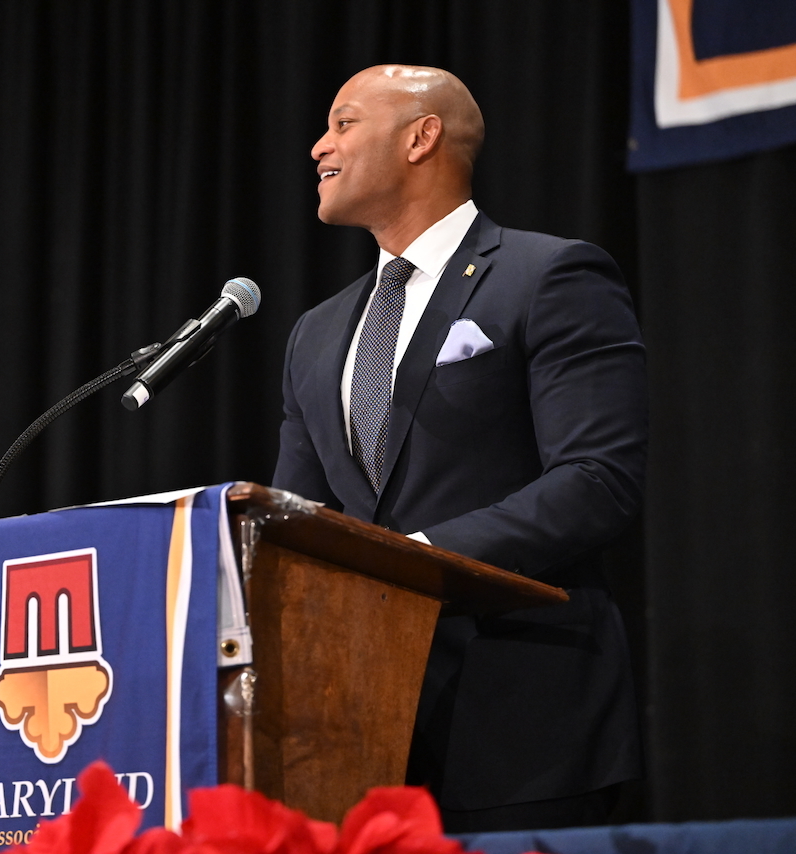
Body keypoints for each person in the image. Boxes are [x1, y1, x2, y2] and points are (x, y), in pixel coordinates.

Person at [272, 65, 646, 832]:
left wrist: (414, 561)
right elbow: (296, 524)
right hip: (354, 743)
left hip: (521, 719)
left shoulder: (549, 276)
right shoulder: (315, 333)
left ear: (422, 136)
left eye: (343, 124)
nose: (319, 146)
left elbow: (596, 481)